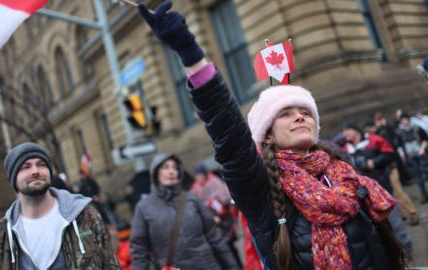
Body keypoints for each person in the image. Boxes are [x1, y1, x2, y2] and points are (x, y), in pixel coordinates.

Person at [138, 2, 406, 269]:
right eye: (285, 114)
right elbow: (227, 129)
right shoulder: (259, 186)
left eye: (305, 111)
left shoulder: (343, 171)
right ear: (267, 134)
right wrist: (191, 56)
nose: (300, 117)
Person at [0, 142, 121, 269]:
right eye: (25, 167)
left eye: (41, 164)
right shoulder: (2, 234)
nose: (35, 171)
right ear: (13, 178)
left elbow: (110, 264)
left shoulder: (85, 216)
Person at [130, 154, 239, 270]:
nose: (171, 171)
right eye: (166, 167)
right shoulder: (143, 208)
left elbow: (214, 237)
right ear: (156, 173)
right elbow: (139, 250)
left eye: (175, 168)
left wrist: (233, 267)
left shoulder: (191, 198)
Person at [343, 123, 413, 259]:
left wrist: (374, 162)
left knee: (396, 224)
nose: (345, 135)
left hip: (382, 189)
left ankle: (406, 250)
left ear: (355, 130)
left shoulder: (373, 140)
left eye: (347, 131)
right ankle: (394, 254)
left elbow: (390, 153)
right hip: (364, 195)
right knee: (380, 230)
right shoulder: (346, 149)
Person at [396, 113, 428, 202]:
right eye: (402, 120)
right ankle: (424, 195)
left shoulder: (416, 128)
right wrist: (403, 155)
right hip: (411, 156)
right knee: (418, 177)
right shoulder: (399, 132)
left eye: (405, 119)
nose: (404, 121)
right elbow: (399, 145)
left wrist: (422, 148)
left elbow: (425, 139)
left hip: (421, 154)